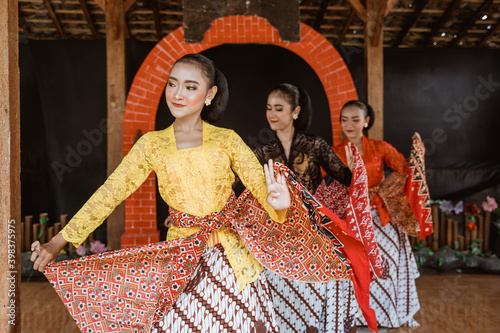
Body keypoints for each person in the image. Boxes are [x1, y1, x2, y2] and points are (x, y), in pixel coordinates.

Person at [30, 54, 377, 333]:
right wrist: (58, 241)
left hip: (232, 258)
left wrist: (281, 206)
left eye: (190, 86)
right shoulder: (152, 145)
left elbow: (265, 192)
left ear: (209, 95)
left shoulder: (226, 140)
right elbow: (110, 192)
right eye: (173, 84)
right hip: (181, 256)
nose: (177, 94)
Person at [251, 83, 366, 333]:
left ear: (295, 111)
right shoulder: (263, 151)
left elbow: (346, 180)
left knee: (327, 279)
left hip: (313, 228)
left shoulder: (315, 144)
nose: (271, 113)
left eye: (278, 108)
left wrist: (356, 168)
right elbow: (240, 187)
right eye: (269, 108)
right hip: (277, 228)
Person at [332, 100, 421, 328]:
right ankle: (355, 317)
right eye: (344, 120)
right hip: (350, 218)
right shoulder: (334, 152)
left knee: (386, 264)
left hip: (379, 216)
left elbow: (405, 170)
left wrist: (417, 157)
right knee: (354, 266)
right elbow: (316, 178)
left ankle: (387, 316)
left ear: (366, 121)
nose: (349, 124)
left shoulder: (380, 147)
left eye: (355, 119)